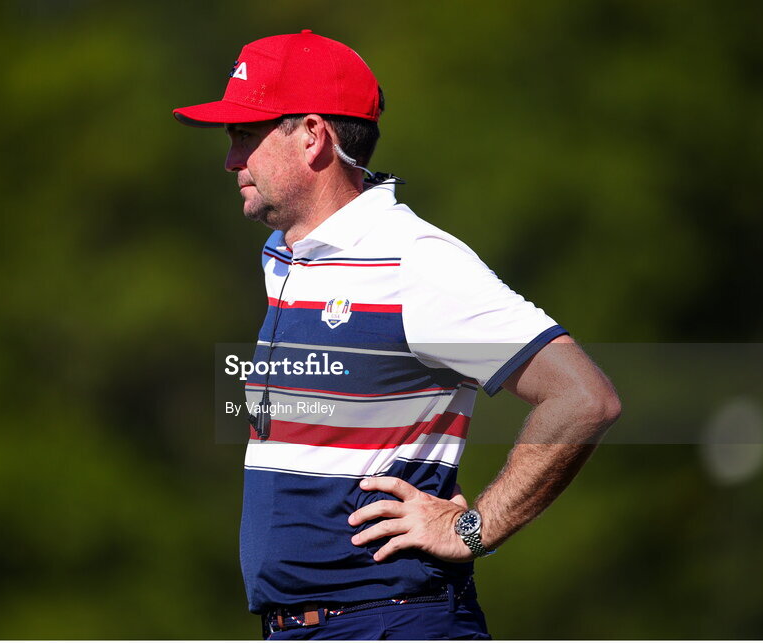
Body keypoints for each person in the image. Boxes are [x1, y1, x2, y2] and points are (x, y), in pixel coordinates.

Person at [173, 30, 621, 640]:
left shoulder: (415, 260)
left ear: (312, 135)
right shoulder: (283, 255)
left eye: (245, 135)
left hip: (394, 621)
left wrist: (475, 529)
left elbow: (583, 397)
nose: (231, 160)